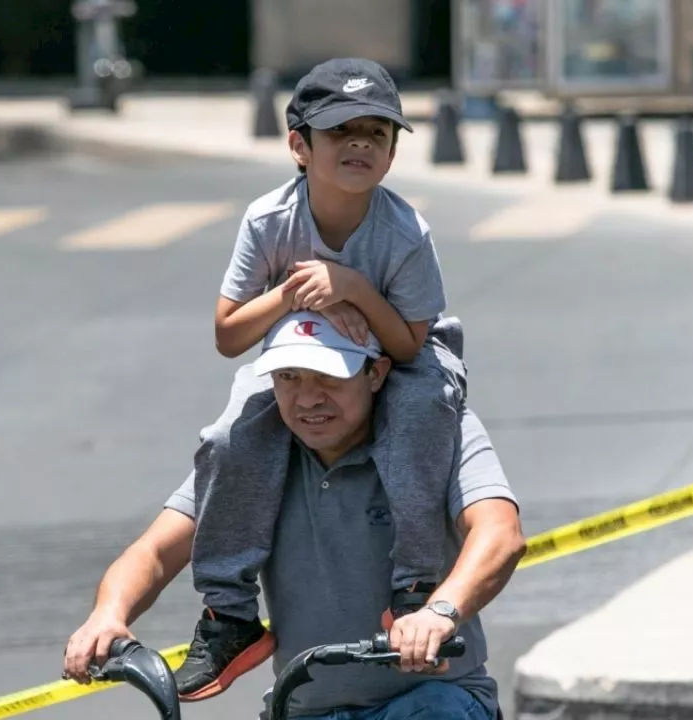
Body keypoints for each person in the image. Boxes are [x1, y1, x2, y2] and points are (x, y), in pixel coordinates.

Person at [176, 55, 472, 701]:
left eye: (378, 131)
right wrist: (289, 296)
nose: (360, 143)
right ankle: (228, 613)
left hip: (402, 356)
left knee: (423, 415)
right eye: (341, 131)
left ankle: (416, 587)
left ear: (392, 153)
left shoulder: (404, 232)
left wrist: (355, 288)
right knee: (230, 437)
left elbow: (411, 342)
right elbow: (229, 337)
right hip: (300, 350)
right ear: (298, 146)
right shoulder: (268, 221)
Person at [62, 310, 527, 719]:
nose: (307, 399)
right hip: (302, 707)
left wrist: (439, 613)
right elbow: (157, 551)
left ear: (376, 373)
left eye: (329, 378)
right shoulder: (254, 453)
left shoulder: (432, 429)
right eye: (289, 377)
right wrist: (108, 614)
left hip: (432, 700)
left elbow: (500, 533)